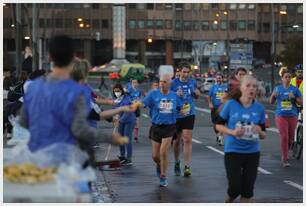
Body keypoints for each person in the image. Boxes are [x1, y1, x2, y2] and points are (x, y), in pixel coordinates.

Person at [19, 35, 126, 155]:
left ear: (50, 57)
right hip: (68, 158)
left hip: (40, 157)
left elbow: (23, 121)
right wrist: (110, 138)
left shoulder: (34, 88)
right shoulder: (78, 91)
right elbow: (80, 130)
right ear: (72, 57)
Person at [216, 75, 267, 203]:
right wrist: (232, 132)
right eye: (248, 85)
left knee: (247, 192)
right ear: (241, 88)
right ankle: (229, 200)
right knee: (235, 188)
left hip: (252, 153)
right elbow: (218, 125)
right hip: (233, 151)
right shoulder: (231, 105)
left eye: (254, 86)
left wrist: (259, 131)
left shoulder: (259, 109)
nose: (252, 88)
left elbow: (264, 134)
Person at [141, 74, 180, 187]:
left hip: (169, 127)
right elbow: (144, 103)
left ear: (169, 84)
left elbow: (179, 106)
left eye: (165, 82)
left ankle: (163, 175)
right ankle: (160, 165)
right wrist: (138, 104)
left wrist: (182, 110)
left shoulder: (174, 95)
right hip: (156, 126)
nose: (162, 84)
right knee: (155, 156)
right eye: (161, 82)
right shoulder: (153, 94)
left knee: (163, 152)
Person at [171, 62, 200, 177]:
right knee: (177, 141)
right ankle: (177, 162)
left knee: (187, 139)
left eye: (188, 72)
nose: (186, 74)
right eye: (184, 72)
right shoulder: (173, 83)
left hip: (189, 113)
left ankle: (187, 166)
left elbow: (196, 95)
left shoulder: (192, 82)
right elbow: (166, 94)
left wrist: (197, 93)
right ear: (179, 71)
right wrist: (175, 93)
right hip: (177, 114)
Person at [269, 68, 302, 167]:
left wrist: (294, 98)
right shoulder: (277, 88)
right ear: (282, 79)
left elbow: (301, 102)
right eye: (285, 77)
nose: (287, 79)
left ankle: (288, 149)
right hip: (281, 116)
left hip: (292, 116)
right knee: (284, 137)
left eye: (289, 77)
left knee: (291, 138)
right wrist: (274, 96)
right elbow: (271, 102)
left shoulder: (295, 89)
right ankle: (285, 158)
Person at [111, 84, 136, 165]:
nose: (116, 92)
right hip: (120, 121)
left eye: (118, 91)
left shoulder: (126, 99)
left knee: (126, 139)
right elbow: (114, 110)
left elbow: (127, 112)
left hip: (129, 121)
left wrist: (120, 120)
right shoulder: (115, 99)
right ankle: (122, 156)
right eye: (115, 91)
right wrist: (114, 119)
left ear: (121, 91)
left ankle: (129, 158)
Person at [207, 73, 228, 146]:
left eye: (220, 78)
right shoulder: (213, 87)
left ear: (222, 79)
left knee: (222, 123)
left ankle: (220, 138)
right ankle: (218, 134)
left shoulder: (226, 87)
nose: (219, 79)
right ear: (216, 79)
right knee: (215, 125)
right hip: (214, 108)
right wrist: (210, 103)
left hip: (223, 108)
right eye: (217, 78)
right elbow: (208, 96)